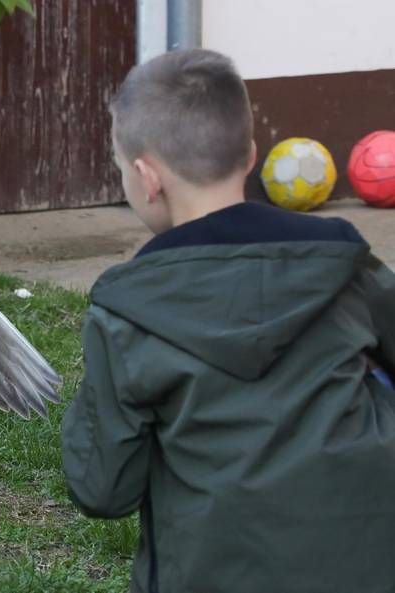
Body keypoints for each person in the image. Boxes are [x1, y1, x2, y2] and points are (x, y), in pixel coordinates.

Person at [61, 48, 395, 593]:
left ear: (148, 178)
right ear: (251, 155)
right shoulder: (347, 267)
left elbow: (103, 489)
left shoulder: (125, 313)